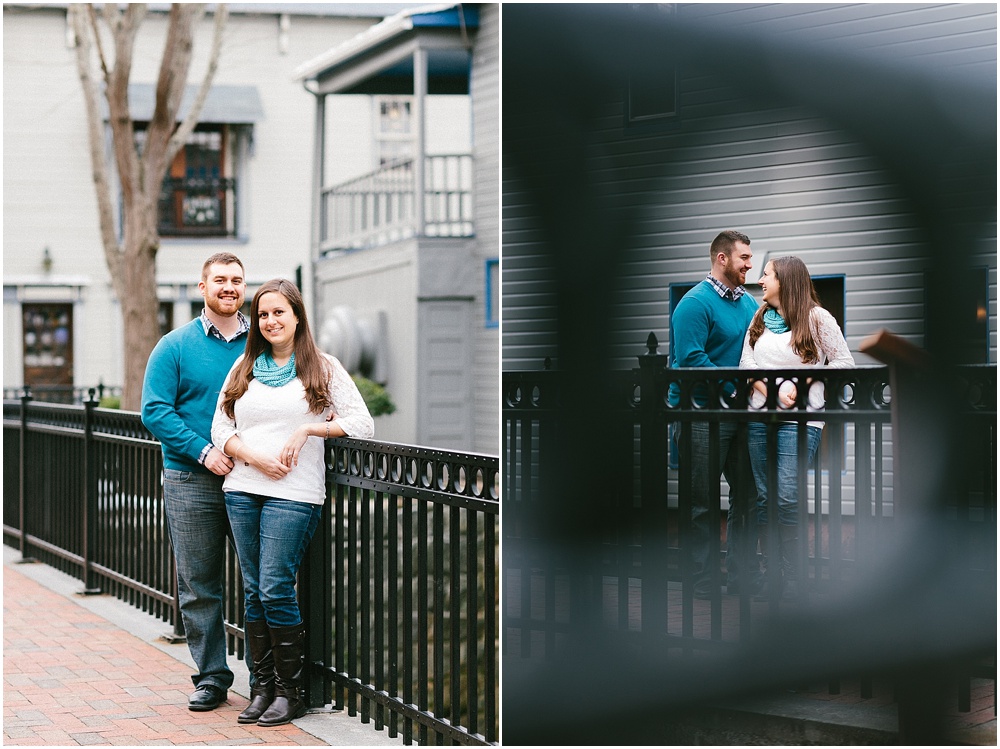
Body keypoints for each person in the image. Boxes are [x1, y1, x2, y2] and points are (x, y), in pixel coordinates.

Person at [211, 278, 374, 727]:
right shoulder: (244, 367)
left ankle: (290, 691)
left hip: (294, 492)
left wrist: (308, 430)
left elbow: (362, 422)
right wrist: (251, 455)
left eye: (279, 312)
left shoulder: (323, 367)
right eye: (263, 314)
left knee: (274, 587)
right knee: (251, 590)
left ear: (297, 316)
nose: (270, 321)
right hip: (243, 488)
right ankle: (260, 689)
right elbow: (220, 430)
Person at [141, 252, 250, 711]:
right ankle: (212, 677)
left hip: (253, 479)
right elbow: (155, 411)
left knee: (262, 582)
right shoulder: (175, 345)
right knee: (199, 583)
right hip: (190, 478)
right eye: (220, 280)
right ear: (202, 288)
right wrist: (206, 452)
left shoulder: (261, 342)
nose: (229, 287)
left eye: (237, 280)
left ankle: (268, 678)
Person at [739, 256, 855, 602]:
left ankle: (794, 572)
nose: (760, 280)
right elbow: (747, 362)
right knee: (764, 496)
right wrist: (769, 391)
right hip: (759, 417)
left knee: (786, 494)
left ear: (785, 281)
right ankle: (773, 571)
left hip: (801, 419)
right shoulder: (758, 318)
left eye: (767, 275)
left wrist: (801, 387)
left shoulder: (816, 318)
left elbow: (843, 361)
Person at [669, 230, 761, 599]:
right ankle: (701, 581)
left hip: (740, 415)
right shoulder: (694, 303)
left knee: (749, 494)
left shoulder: (749, 304)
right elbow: (691, 359)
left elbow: (756, 349)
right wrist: (734, 390)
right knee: (701, 502)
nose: (750, 265)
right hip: (700, 414)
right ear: (722, 259)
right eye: (744, 258)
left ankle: (742, 576)